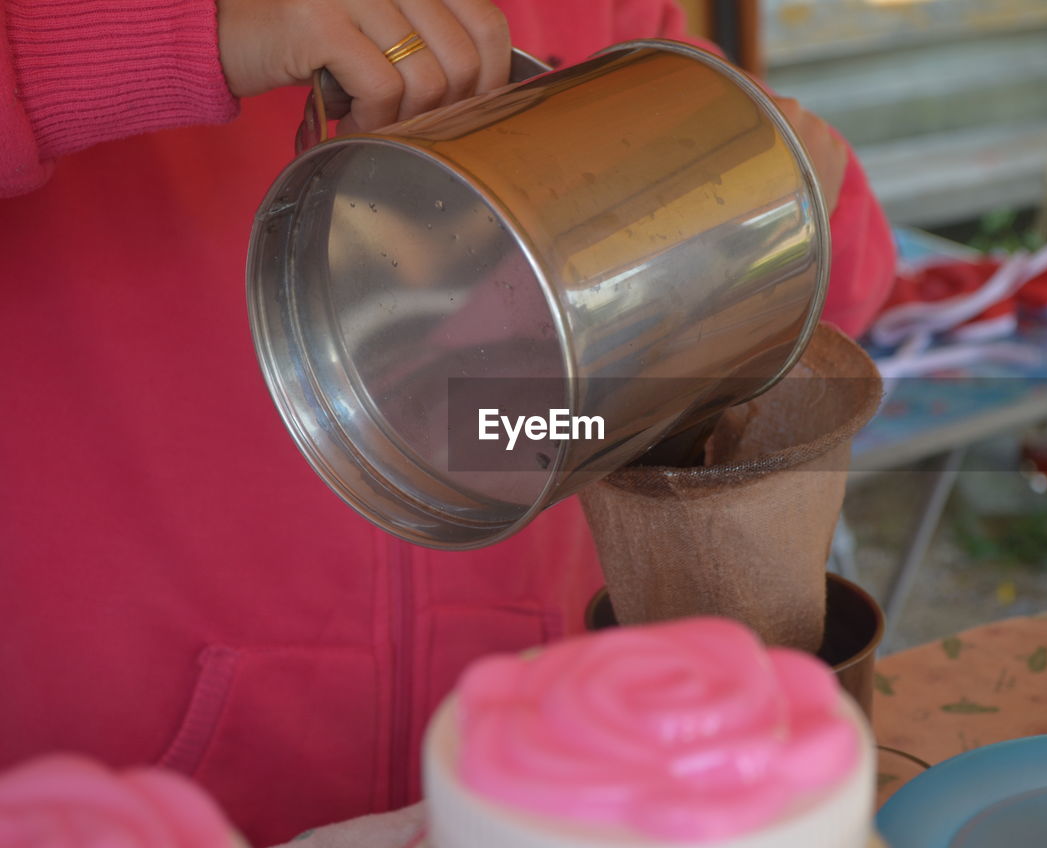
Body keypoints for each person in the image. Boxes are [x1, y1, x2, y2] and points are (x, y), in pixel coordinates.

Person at [0, 0, 895, 844]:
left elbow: (833, 296)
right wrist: (168, 31)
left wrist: (798, 197)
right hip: (123, 789)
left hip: (536, 755)